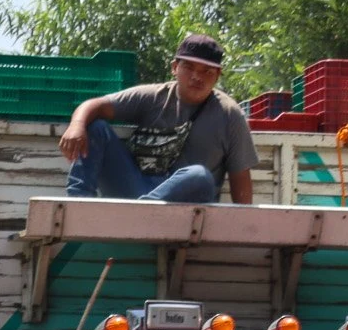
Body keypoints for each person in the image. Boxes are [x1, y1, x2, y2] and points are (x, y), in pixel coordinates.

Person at [59, 33, 257, 204]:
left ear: (217, 76)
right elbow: (95, 105)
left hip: (183, 211)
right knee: (96, 127)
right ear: (174, 67)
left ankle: (142, 214)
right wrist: (76, 126)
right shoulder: (153, 97)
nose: (197, 77)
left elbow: (241, 181)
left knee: (199, 176)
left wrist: (243, 233)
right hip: (136, 191)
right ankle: (78, 206)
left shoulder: (229, 114)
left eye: (207, 71)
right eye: (189, 67)